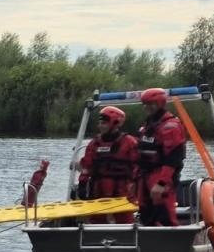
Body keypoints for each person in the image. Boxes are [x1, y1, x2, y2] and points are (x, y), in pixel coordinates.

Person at [135, 88, 188, 226]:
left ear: (160, 103)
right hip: (145, 176)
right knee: (146, 213)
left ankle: (171, 243)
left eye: (150, 104)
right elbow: (139, 155)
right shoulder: (147, 126)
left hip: (161, 176)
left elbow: (173, 158)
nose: (147, 107)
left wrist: (162, 183)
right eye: (145, 104)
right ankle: (147, 241)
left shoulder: (171, 126)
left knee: (164, 214)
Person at [77, 105, 138, 223]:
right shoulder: (94, 143)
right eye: (100, 123)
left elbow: (137, 166)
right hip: (98, 188)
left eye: (104, 123)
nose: (100, 126)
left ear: (115, 124)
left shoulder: (129, 142)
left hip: (122, 189)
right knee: (97, 219)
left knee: (124, 218)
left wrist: (136, 186)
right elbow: (87, 165)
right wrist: (82, 183)